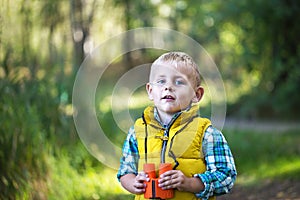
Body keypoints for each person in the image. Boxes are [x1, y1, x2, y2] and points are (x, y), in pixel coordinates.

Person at [117, 51, 237, 200]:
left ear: (196, 95)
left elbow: (226, 176)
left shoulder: (207, 134)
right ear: (150, 91)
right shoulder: (138, 131)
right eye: (161, 81)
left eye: (179, 82)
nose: (168, 87)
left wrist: (190, 183)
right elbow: (125, 171)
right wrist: (133, 182)